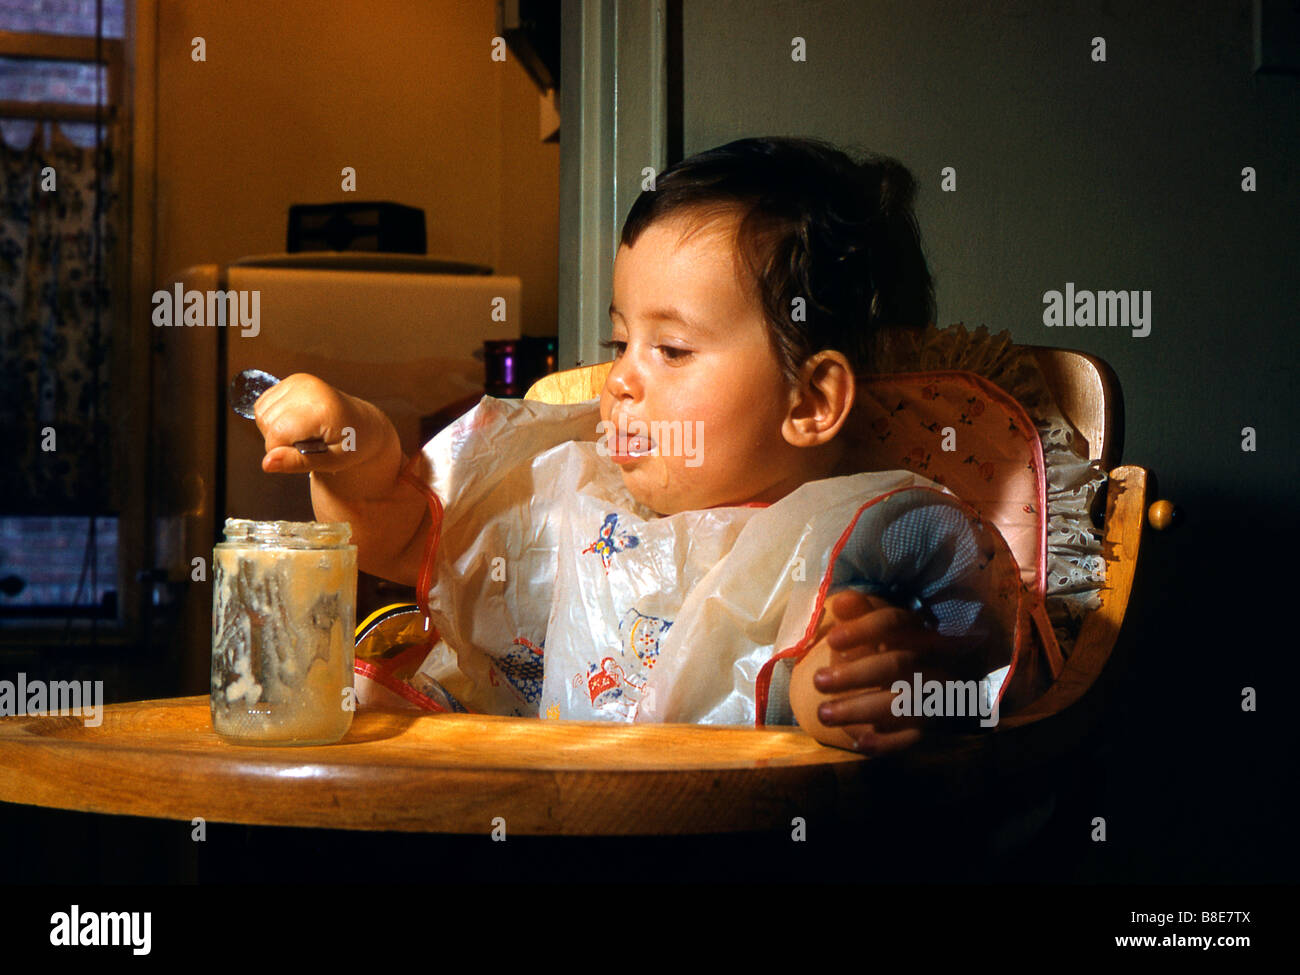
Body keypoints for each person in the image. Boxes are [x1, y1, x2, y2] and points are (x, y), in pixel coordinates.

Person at [252, 137, 1022, 752]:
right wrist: (355, 444)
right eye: (619, 341)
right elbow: (401, 529)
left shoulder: (865, 533)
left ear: (811, 401)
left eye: (673, 350)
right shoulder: (569, 492)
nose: (618, 380)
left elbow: (956, 656)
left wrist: (851, 684)